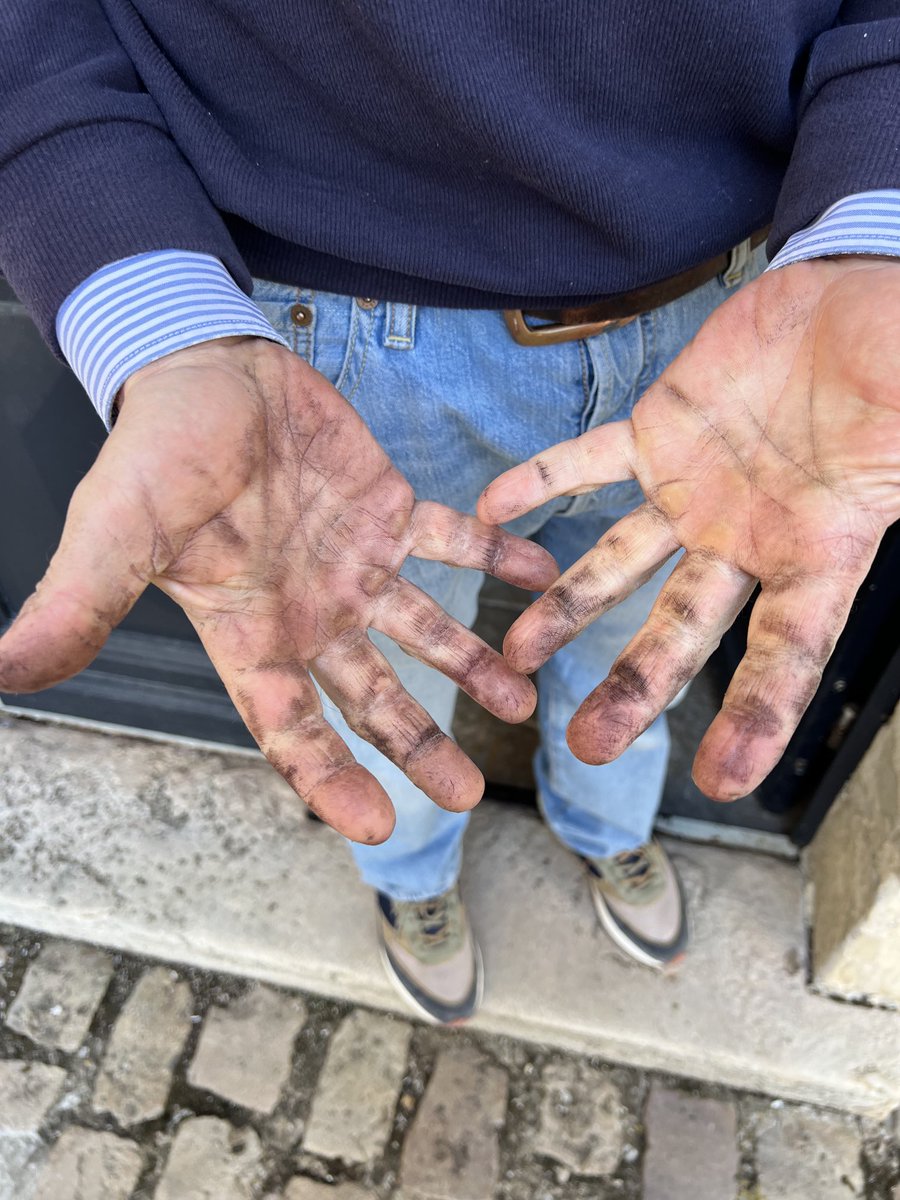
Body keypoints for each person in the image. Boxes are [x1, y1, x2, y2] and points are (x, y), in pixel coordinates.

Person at [1, 2, 898, 1024]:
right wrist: (162, 324)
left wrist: (879, 235)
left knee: (630, 639)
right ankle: (412, 879)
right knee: (388, 676)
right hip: (342, 336)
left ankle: (609, 826)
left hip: (738, 315)